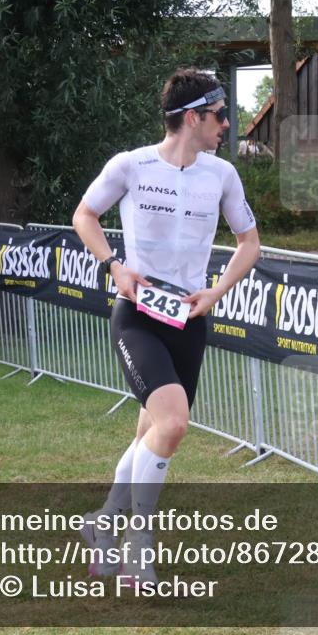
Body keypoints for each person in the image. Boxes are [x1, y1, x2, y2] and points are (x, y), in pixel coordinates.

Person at [73, 68, 260, 590]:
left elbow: (250, 242)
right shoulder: (130, 165)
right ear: (193, 117)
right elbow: (84, 215)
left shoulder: (221, 174)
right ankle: (138, 545)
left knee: (152, 430)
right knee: (173, 425)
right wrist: (114, 263)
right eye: (220, 115)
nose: (226, 124)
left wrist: (216, 292)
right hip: (137, 315)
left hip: (189, 320)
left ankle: (102, 524)